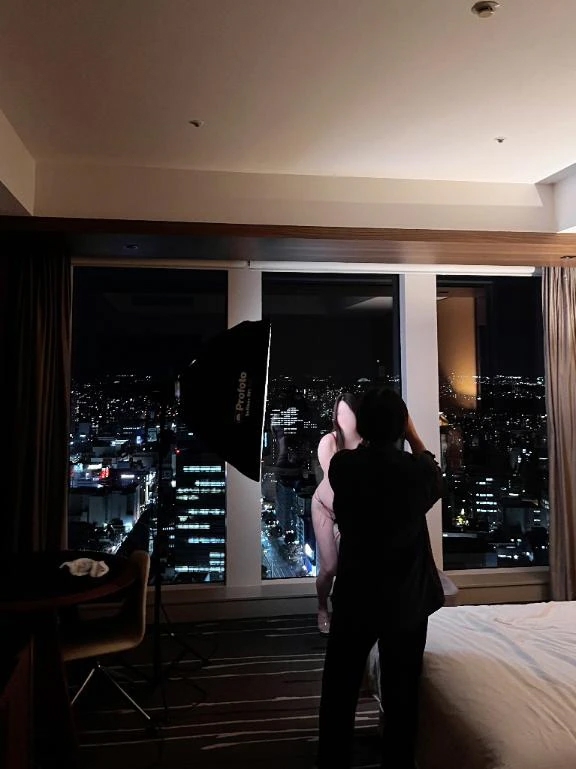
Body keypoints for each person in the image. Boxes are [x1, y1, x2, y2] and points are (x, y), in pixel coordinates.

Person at [316, 387, 444, 769]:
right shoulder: (417, 472)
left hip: (357, 593)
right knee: (402, 691)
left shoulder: (343, 468)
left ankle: (333, 759)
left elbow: (352, 468)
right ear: (401, 425)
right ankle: (397, 761)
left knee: (339, 686)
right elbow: (431, 474)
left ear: (363, 425)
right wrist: (413, 435)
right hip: (405, 598)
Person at [311, 392, 361, 634]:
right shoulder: (329, 441)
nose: (344, 418)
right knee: (330, 567)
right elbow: (335, 480)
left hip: (352, 512)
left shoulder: (368, 445)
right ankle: (322, 607)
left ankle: (349, 611)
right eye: (339, 413)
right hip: (325, 505)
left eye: (348, 413)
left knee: (353, 567)